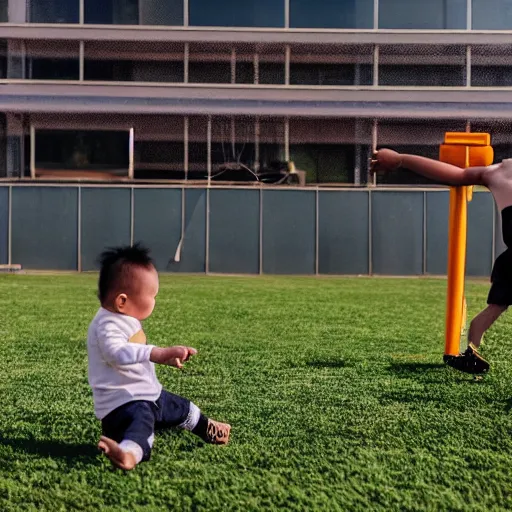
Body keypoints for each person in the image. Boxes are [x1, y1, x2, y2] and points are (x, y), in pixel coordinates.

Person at [87, 243, 230, 470]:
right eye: (151, 295)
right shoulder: (106, 324)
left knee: (182, 408)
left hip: (146, 394)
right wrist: (158, 353)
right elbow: (116, 353)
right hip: (124, 405)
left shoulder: (119, 316)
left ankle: (208, 428)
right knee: (142, 427)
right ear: (122, 301)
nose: (155, 300)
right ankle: (128, 454)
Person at [371, 148, 512, 374]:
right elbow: (457, 175)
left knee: (493, 309)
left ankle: (471, 352)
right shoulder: (501, 171)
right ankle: (471, 353)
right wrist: (400, 160)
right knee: (493, 308)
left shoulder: (501, 171)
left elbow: (458, 175)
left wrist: (401, 160)